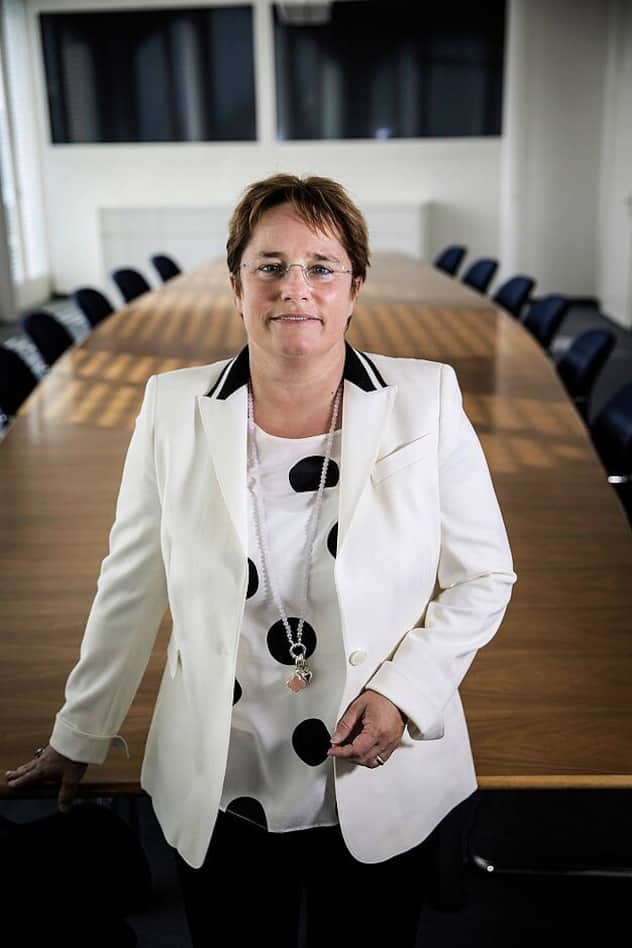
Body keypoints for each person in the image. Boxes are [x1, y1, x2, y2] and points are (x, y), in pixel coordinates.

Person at [6, 174, 517, 946]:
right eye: (270, 266)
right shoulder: (172, 406)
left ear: (355, 287)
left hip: (377, 764)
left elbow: (484, 576)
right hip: (226, 770)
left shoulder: (427, 397)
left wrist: (405, 691)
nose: (294, 288)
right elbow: (132, 580)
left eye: (321, 267)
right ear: (236, 285)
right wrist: (80, 731)